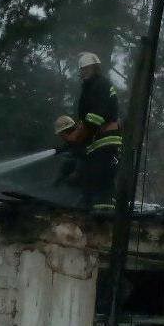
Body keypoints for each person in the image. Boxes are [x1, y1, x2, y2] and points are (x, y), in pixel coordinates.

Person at [72, 52, 122, 210]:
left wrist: (81, 134)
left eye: (87, 69)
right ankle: (91, 210)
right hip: (97, 142)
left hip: (104, 140)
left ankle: (104, 214)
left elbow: (96, 116)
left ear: (95, 69)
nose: (84, 72)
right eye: (82, 69)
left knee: (102, 181)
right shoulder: (92, 86)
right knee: (91, 180)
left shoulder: (100, 85)